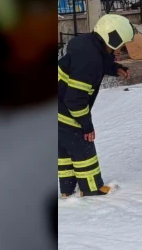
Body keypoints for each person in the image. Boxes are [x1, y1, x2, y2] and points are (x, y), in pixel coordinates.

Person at [57, 14, 134, 197]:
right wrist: (86, 125)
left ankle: (67, 190)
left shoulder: (86, 44)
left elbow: (99, 60)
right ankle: (92, 189)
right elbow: (75, 99)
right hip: (66, 109)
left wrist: (115, 68)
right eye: (122, 43)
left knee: (66, 149)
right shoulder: (90, 62)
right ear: (113, 39)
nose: (123, 47)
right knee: (84, 146)